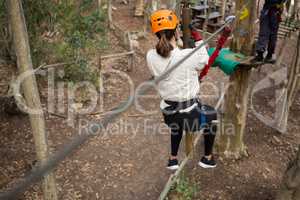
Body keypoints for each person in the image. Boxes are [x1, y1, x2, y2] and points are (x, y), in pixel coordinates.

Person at [146, 9, 218, 170]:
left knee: (177, 123)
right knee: (212, 115)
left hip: (169, 114)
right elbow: (205, 59)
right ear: (176, 31)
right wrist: (197, 36)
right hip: (189, 116)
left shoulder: (150, 55)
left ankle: (172, 159)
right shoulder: (188, 55)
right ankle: (207, 158)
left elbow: (168, 53)